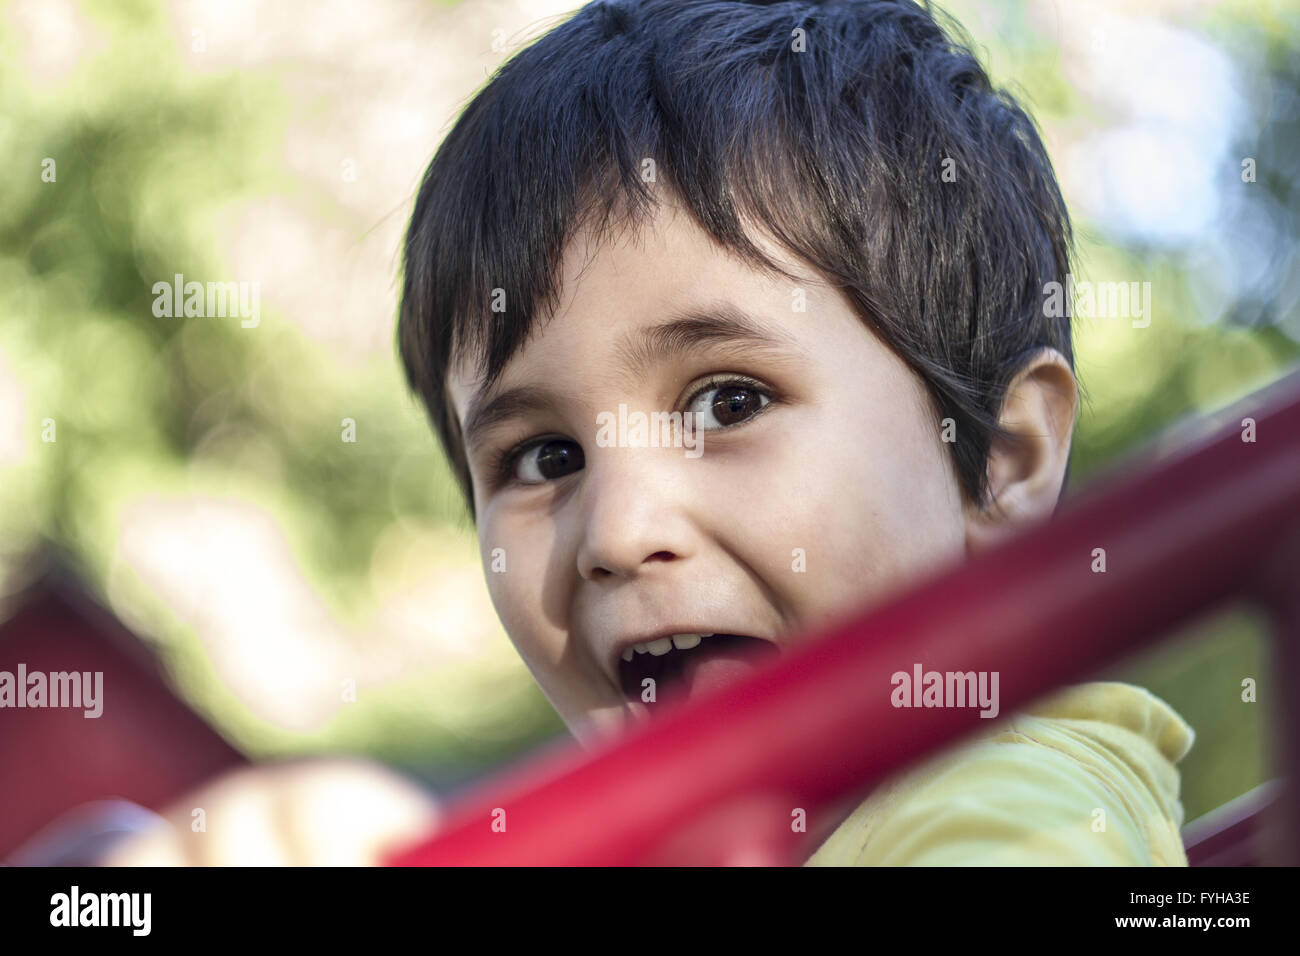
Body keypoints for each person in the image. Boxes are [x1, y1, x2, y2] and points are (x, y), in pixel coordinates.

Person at [102, 0, 1193, 866]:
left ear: (1000, 460)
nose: (618, 531)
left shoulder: (1016, 788)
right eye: (544, 457)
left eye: (729, 400)